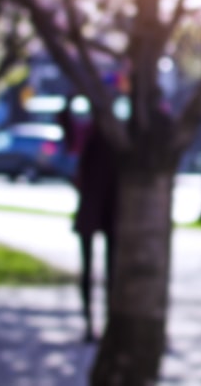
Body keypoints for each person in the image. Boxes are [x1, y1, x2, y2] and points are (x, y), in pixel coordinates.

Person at [72, 122, 118, 343]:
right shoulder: (94, 133)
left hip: (107, 212)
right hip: (100, 210)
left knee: (110, 272)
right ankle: (91, 322)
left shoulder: (115, 136)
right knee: (94, 271)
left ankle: (105, 323)